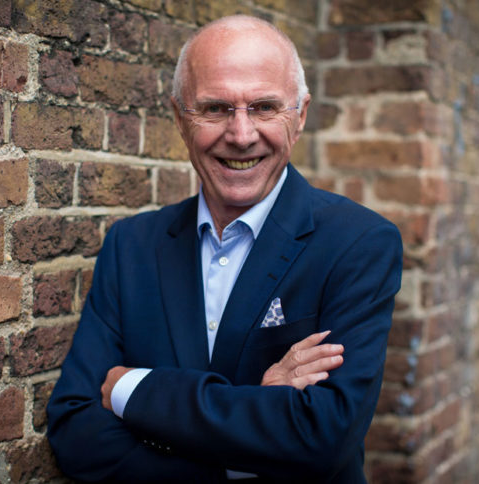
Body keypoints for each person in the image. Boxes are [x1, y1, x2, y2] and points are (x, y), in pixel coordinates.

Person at [47, 15, 402, 483]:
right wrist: (255, 417)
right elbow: (76, 431)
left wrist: (134, 388)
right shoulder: (130, 246)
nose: (241, 135)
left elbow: (323, 437)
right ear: (180, 119)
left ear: (300, 116)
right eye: (215, 109)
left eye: (264, 107)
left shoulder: (358, 243)